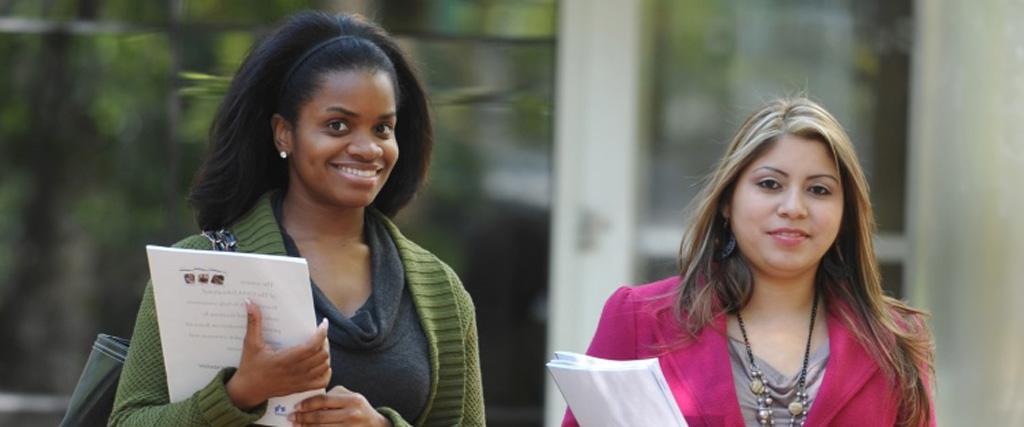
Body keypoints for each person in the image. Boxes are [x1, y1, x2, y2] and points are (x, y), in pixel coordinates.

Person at [110, 11, 484, 426]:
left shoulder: (441, 294)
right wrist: (240, 393)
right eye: (338, 125)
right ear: (284, 133)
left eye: (382, 128)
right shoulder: (200, 269)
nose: (367, 148)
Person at [563, 97, 934, 426]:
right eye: (770, 184)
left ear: (845, 215)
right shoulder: (638, 319)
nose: (793, 208)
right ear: (728, 201)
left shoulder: (895, 341)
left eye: (819, 190)